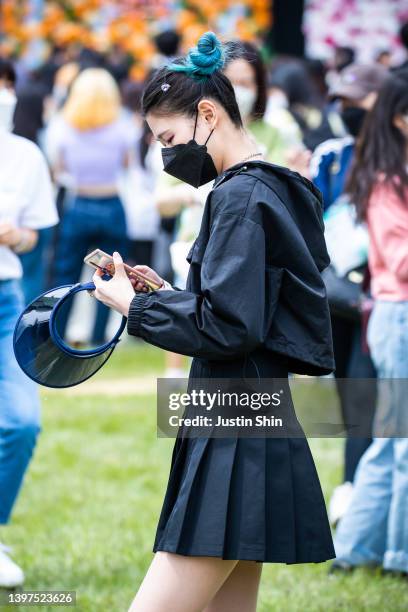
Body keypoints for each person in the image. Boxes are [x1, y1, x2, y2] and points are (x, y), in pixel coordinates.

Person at [91, 31, 336, 611]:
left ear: (208, 114)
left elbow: (229, 326)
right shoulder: (273, 186)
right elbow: (246, 311)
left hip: (233, 427)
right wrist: (169, 295)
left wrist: (134, 306)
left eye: (168, 138)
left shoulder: (240, 197)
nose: (167, 154)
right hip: (253, 414)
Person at [331, 69, 408, 577]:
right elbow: (400, 261)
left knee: (390, 442)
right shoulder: (387, 179)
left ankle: (357, 550)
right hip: (398, 317)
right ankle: (397, 556)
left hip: (393, 317)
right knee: (400, 446)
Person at [310, 63, 389, 525]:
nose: (348, 110)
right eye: (342, 101)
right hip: (338, 298)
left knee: (368, 401)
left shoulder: (398, 157)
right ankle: (357, 496)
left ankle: (357, 499)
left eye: (358, 101)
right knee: (351, 400)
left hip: (384, 298)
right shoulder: (332, 156)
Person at [0, 58, 58, 587]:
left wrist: (13, 236)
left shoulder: (24, 156)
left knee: (22, 420)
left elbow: (34, 236)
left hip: (5, 297)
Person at [50, 67, 135, 345]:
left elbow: (59, 167)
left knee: (66, 276)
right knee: (109, 276)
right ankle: (100, 338)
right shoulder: (123, 124)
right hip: (111, 204)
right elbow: (126, 163)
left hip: (80, 204)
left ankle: (57, 332)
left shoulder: (63, 124)